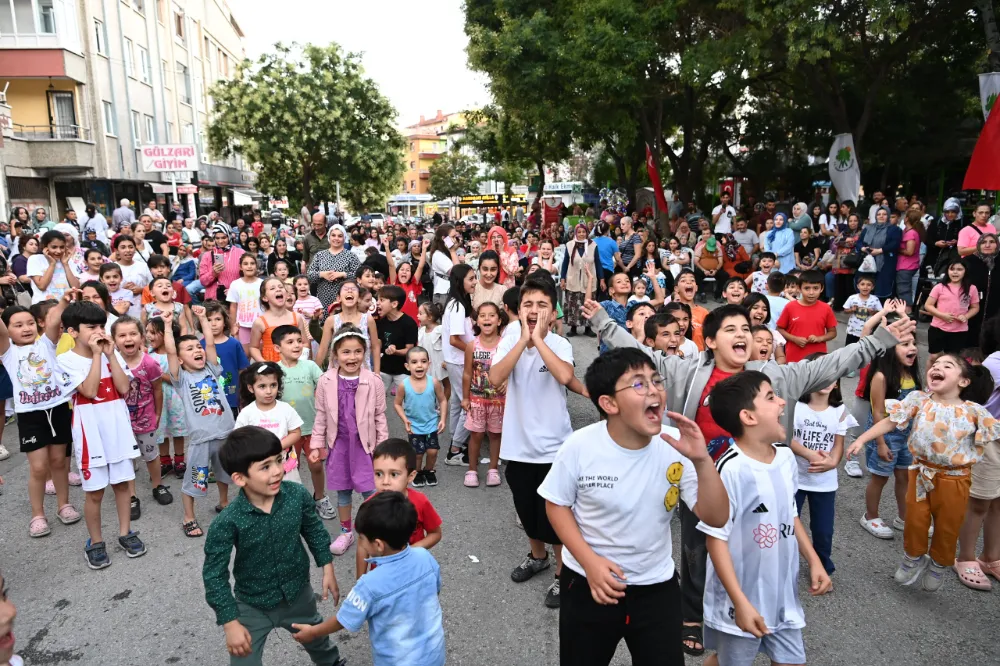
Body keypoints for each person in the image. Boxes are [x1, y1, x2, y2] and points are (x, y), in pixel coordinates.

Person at [583, 300, 911, 656]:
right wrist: (602, 321)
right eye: (730, 330)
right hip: (703, 483)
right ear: (709, 341)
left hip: (757, 484)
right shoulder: (687, 371)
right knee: (696, 551)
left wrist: (879, 340)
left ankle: (751, 611)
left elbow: (834, 362)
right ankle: (693, 616)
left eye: (746, 329)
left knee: (756, 548)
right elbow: (640, 354)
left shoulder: (775, 377)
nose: (741, 335)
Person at [540, 348, 728, 665]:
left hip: (656, 586)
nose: (654, 390)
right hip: (588, 584)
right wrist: (590, 563)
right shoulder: (580, 446)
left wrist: (702, 461)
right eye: (638, 384)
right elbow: (556, 505)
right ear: (609, 403)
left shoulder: (675, 445)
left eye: (656, 380)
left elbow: (716, 516)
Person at [700, 372, 832, 666]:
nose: (783, 402)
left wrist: (814, 560)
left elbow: (790, 514)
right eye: (771, 397)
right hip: (741, 600)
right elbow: (715, 540)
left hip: (782, 596)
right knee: (729, 662)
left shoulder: (785, 458)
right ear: (748, 416)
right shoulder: (730, 469)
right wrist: (740, 602)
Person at [849, 354, 998, 590]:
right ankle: (913, 557)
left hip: (955, 480)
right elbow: (889, 422)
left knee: (948, 526)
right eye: (936, 365)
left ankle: (938, 563)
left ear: (964, 381)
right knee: (915, 521)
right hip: (920, 474)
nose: (937, 367)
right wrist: (862, 440)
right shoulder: (918, 399)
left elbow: (995, 436)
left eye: (947, 366)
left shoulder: (975, 412)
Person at [202, 426, 344, 666]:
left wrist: (327, 567)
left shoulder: (297, 495)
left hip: (298, 594)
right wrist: (230, 622)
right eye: (265, 467)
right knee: (242, 659)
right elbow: (214, 575)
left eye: (279, 460)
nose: (278, 471)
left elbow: (314, 532)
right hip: (252, 604)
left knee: (318, 640)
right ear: (239, 478)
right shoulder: (227, 521)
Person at [490, 275, 575, 608]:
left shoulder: (559, 344)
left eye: (542, 305)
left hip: (555, 448)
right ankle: (537, 557)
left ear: (553, 313)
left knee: (555, 516)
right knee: (526, 509)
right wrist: (523, 338)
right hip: (518, 447)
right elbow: (495, 378)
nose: (534, 310)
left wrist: (538, 340)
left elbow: (566, 377)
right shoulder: (511, 336)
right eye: (528, 305)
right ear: (518, 309)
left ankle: (562, 574)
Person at [290, 491, 444, 666]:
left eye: (362, 538)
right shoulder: (424, 557)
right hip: (434, 655)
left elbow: (343, 619)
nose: (360, 543)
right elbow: (434, 590)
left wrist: (313, 632)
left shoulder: (370, 584)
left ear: (378, 545)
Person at [57, 300, 146, 567]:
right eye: (90, 327)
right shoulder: (65, 360)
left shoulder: (112, 354)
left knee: (122, 485)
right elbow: (90, 391)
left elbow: (123, 387)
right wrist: (97, 356)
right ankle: (95, 542)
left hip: (117, 427)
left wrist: (109, 355)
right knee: (94, 492)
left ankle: (125, 532)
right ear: (73, 331)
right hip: (90, 432)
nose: (97, 331)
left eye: (100, 325)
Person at [0, 295, 79, 538]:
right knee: (38, 467)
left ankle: (63, 505)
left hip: (57, 409)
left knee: (59, 463)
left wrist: (64, 302)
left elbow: (54, 319)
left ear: (38, 324)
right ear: (8, 330)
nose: (25, 328)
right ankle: (38, 514)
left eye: (29, 323)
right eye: (18, 325)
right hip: (30, 415)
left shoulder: (46, 344)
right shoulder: (8, 353)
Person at [309, 324, 387, 556]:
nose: (352, 357)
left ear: (364, 353)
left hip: (366, 446)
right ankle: (346, 532)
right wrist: (316, 445)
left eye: (357, 351)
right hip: (339, 445)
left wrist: (383, 447)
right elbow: (321, 415)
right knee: (342, 491)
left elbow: (380, 416)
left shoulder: (373, 381)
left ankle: (374, 532)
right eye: (345, 352)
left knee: (371, 491)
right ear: (335, 354)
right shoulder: (326, 381)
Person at [165, 307, 236, 538]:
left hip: (225, 433)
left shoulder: (211, 368)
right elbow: (169, 351)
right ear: (179, 358)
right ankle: (189, 516)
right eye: (189, 348)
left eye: (198, 347)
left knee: (225, 473)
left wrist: (203, 318)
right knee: (196, 476)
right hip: (201, 439)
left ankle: (224, 503)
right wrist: (167, 325)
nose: (197, 350)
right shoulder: (181, 378)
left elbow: (211, 344)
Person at [789, 355, 855, 574]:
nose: (828, 381)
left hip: (824, 482)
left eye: (833, 377)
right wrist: (809, 454)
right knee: (788, 525)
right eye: (822, 375)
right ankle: (785, 564)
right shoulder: (795, 406)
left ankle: (822, 567)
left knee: (823, 531)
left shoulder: (840, 411)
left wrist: (833, 462)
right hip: (794, 478)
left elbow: (839, 444)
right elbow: (785, 438)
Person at [354, 438, 443, 578]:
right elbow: (362, 543)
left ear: (411, 476)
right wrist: (360, 579)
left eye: (394, 474)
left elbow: (435, 533)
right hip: (381, 575)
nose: (385, 482)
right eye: (378, 474)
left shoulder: (420, 502)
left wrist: (409, 552)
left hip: (412, 572)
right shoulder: (369, 506)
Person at [111, 315, 172, 516]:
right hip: (121, 422)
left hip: (146, 420)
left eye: (133, 334)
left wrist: (156, 415)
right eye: (122, 335)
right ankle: (131, 496)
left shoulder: (149, 363)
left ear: (142, 337)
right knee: (127, 459)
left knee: (151, 455)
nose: (128, 339)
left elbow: (157, 390)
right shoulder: (110, 364)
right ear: (114, 340)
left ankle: (157, 485)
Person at [956, 318, 1000, 590]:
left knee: (998, 501)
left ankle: (991, 557)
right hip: (990, 437)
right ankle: (966, 557)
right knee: (980, 501)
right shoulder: (995, 362)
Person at [272, 324, 330, 517]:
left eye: (299, 341)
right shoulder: (275, 371)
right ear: (277, 348)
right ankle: (291, 500)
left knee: (316, 465)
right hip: (288, 432)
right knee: (289, 468)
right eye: (290, 342)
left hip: (312, 427)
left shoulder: (310, 366)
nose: (297, 345)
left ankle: (320, 497)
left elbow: (325, 388)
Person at [234, 362, 304, 487]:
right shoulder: (247, 413)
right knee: (265, 501)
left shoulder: (285, 409)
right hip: (259, 470)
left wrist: (277, 446)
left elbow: (296, 432)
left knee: (291, 499)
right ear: (251, 388)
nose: (269, 391)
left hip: (286, 467)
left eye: (273, 385)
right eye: (262, 386)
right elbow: (239, 439)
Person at [460, 302, 506, 488]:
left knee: (495, 434)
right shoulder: (472, 345)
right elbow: (467, 373)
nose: (487, 319)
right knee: (476, 434)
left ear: (499, 320)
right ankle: (472, 469)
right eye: (483, 315)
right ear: (477, 320)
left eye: (491, 315)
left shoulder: (505, 345)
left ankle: (493, 469)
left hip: (499, 400)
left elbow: (511, 370)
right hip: (476, 399)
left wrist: (507, 382)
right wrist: (465, 397)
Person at [393, 346, 447, 488]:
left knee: (432, 451)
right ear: (407, 366)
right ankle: (416, 472)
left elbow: (442, 400)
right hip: (414, 426)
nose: (419, 365)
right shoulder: (404, 385)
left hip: (431, 424)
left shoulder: (433, 382)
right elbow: (397, 404)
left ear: (429, 364)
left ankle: (429, 470)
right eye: (415, 362)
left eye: (423, 361)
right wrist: (405, 419)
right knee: (417, 453)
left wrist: (442, 419)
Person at [441, 264, 476, 465]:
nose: (475, 282)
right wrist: (476, 353)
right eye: (471, 278)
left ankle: (457, 441)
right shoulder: (457, 306)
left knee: (456, 401)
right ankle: (455, 448)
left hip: (456, 360)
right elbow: (455, 339)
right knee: (467, 403)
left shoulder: (457, 303)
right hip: (460, 361)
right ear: (459, 281)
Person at [775, 270, 837, 363]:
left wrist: (819, 338)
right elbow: (779, 329)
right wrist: (794, 339)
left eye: (815, 288)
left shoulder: (826, 308)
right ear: (799, 289)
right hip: (794, 358)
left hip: (818, 359)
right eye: (807, 288)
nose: (811, 292)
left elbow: (832, 332)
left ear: (822, 288)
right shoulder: (790, 307)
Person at [200, 301, 249, 418]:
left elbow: (242, 370)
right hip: (208, 399)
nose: (213, 324)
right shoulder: (199, 345)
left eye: (218, 319)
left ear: (225, 322)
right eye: (209, 320)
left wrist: (243, 393)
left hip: (231, 397)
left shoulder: (234, 344)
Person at [316, 280, 378, 370]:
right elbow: (323, 349)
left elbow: (375, 347)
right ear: (338, 298)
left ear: (359, 298)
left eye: (353, 289)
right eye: (345, 289)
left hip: (363, 373)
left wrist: (377, 374)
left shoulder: (368, 319)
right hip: (337, 373)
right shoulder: (331, 320)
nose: (349, 291)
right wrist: (314, 374)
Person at [924, 259, 979, 354]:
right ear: (947, 271)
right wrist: (941, 315)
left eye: (959, 269)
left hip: (959, 330)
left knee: (952, 358)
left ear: (965, 271)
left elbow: (975, 307)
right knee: (934, 357)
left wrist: (966, 316)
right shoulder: (939, 287)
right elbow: (928, 305)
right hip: (938, 328)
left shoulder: (972, 288)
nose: (955, 272)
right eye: (952, 269)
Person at [249, 277, 309, 364]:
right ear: (265, 298)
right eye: (272, 288)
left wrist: (301, 361)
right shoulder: (260, 322)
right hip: (272, 370)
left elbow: (305, 343)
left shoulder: (297, 317)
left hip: (294, 366)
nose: (278, 290)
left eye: (281, 287)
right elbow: (253, 347)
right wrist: (266, 364)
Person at [307, 225, 359, 318]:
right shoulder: (320, 255)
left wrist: (343, 274)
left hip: (345, 299)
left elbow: (359, 275)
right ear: (329, 237)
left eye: (340, 236)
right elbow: (309, 275)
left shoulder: (351, 256)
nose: (336, 238)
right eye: (333, 235)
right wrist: (322, 274)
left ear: (344, 238)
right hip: (323, 299)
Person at [964, 233, 1000, 347]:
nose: (987, 245)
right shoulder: (969, 261)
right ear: (978, 245)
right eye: (984, 242)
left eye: (992, 242)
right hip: (972, 308)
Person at [859, 206, 902, 300]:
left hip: (885, 261)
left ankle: (881, 309)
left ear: (888, 216)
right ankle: (866, 306)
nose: (881, 216)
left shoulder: (894, 229)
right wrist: (863, 248)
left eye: (884, 214)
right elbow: (859, 242)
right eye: (879, 214)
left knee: (882, 285)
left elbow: (895, 244)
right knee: (866, 282)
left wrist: (879, 250)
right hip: (868, 259)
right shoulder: (868, 228)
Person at [27, 230, 79, 304]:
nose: (58, 251)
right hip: (44, 306)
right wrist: (52, 264)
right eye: (54, 247)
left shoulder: (68, 261)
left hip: (66, 305)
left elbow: (75, 287)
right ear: (44, 247)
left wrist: (65, 264)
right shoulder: (35, 259)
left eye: (62, 247)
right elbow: (42, 286)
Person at [198, 222, 246, 302]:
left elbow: (247, 277)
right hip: (214, 300)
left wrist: (234, 291)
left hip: (236, 298)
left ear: (229, 236)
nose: (220, 241)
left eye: (224, 237)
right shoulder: (207, 256)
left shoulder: (240, 253)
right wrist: (213, 273)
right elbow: (203, 281)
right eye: (217, 238)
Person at [226, 254, 263, 356]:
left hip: (260, 325)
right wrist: (233, 326)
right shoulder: (235, 284)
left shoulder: (262, 284)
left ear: (256, 266)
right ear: (240, 267)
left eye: (252, 263)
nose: (249, 266)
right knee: (244, 357)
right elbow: (233, 307)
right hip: (242, 325)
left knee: (260, 357)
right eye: (245, 264)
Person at [842, 275, 882, 345]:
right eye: (862, 284)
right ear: (858, 286)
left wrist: (872, 312)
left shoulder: (875, 299)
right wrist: (852, 309)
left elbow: (881, 313)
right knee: (849, 349)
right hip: (852, 330)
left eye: (868, 285)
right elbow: (845, 310)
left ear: (872, 287)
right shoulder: (852, 298)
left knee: (864, 351)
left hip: (867, 331)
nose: (865, 287)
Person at [429, 224, 460, 306]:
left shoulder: (446, 252)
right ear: (444, 238)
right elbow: (457, 272)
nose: (455, 240)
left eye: (455, 237)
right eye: (452, 237)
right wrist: (453, 251)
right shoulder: (438, 255)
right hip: (444, 293)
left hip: (451, 290)